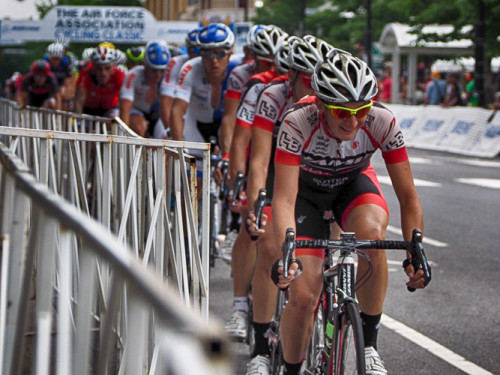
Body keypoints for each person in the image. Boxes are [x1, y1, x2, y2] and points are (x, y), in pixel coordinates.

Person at [270, 51, 428, 375]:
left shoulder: (383, 121)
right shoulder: (297, 121)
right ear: (321, 105)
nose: (353, 122)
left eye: (362, 111)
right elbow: (284, 199)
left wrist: (416, 248)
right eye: (342, 111)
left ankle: (368, 346)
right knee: (303, 294)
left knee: (372, 237)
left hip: (352, 185)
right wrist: (286, 252)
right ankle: (290, 368)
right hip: (306, 195)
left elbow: (408, 196)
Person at [243, 35, 335, 375]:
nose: (315, 87)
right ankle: (261, 347)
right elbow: (259, 160)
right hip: (276, 172)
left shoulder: (329, 102)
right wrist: (256, 205)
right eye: (308, 79)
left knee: (342, 242)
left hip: (320, 177)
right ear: (290, 76)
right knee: (269, 244)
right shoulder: (273, 96)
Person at [222, 25, 288, 344]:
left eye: (274, 63)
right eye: (264, 62)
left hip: (290, 160)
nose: (270, 69)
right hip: (258, 153)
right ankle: (238, 306)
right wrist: (238, 181)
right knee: (253, 224)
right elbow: (238, 136)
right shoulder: (254, 83)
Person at [169, 23, 240, 163]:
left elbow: (230, 117)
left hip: (226, 124)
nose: (214, 60)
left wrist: (226, 154)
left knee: (229, 167)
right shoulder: (190, 69)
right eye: (208, 54)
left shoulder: (238, 70)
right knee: (196, 174)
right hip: (195, 123)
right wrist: (179, 147)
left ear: (229, 53)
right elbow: (177, 111)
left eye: (219, 54)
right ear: (201, 55)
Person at [119, 40, 171, 137]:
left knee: (165, 137)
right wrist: (122, 137)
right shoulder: (133, 75)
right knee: (139, 128)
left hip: (158, 113)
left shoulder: (169, 77)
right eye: (154, 70)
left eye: (162, 70)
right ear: (145, 65)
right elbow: (125, 107)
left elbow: (167, 107)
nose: (158, 75)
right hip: (137, 110)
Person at [158, 27, 201, 138]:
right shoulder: (176, 63)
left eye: (200, 49)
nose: (195, 53)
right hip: (182, 115)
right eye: (191, 49)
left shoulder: (216, 64)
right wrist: (170, 131)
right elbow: (166, 102)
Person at [74, 46, 125, 117]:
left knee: (114, 119)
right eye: (99, 68)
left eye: (107, 68)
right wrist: (78, 123)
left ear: (113, 67)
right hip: (88, 109)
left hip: (110, 109)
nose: (103, 73)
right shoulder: (85, 74)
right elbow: (79, 101)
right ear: (93, 67)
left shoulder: (119, 75)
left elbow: (124, 102)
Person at [44, 42, 74, 109]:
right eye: (53, 58)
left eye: (57, 58)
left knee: (63, 94)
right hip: (49, 82)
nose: (55, 61)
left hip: (61, 82)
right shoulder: (45, 62)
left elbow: (69, 80)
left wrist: (68, 96)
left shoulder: (65, 62)